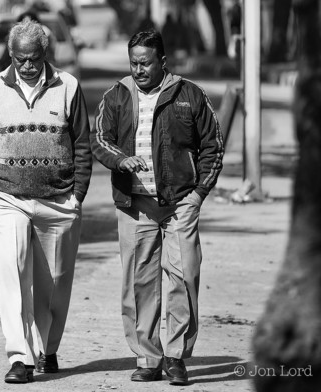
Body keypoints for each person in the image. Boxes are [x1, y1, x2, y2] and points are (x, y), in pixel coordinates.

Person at [90, 29, 224, 385]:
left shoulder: (190, 95)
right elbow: (99, 140)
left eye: (145, 63)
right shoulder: (116, 96)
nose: (138, 70)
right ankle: (147, 357)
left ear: (162, 62)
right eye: (133, 62)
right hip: (136, 207)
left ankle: (176, 356)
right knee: (140, 284)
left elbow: (214, 147)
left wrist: (197, 196)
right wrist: (121, 161)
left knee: (183, 278)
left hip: (180, 204)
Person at [0, 19, 91, 384]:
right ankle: (20, 357)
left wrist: (77, 195)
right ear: (11, 55)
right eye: (21, 59)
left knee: (54, 284)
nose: (27, 66)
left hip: (58, 201)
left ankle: (46, 349)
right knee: (12, 273)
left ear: (45, 54)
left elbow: (82, 143)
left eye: (34, 58)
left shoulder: (68, 86)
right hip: (6, 198)